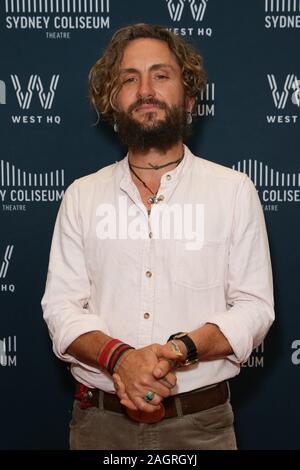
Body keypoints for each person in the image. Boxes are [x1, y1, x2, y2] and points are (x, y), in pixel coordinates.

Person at [41, 23, 274, 450]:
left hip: (202, 429)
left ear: (188, 97)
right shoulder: (82, 195)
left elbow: (255, 308)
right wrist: (121, 359)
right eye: (130, 78)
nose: (146, 89)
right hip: (99, 427)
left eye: (160, 75)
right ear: (113, 100)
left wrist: (176, 351)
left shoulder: (233, 191)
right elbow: (60, 308)